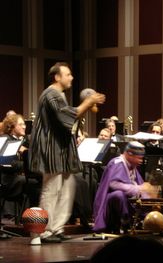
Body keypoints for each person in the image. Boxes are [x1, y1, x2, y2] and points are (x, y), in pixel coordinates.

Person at [28, 61, 105, 243]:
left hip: (61, 150)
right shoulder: (51, 94)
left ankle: (57, 228)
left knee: (68, 187)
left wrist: (87, 105)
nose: (71, 77)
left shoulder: (59, 95)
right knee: (52, 189)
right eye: (68, 74)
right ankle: (44, 231)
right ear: (57, 77)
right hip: (51, 149)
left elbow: (69, 120)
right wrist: (88, 102)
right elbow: (65, 117)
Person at [93, 141, 157, 234]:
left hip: (127, 198)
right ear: (129, 154)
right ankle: (124, 223)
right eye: (139, 158)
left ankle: (141, 223)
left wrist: (149, 194)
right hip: (109, 202)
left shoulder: (132, 165)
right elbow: (114, 184)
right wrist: (139, 189)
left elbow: (139, 185)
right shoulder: (118, 163)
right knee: (118, 195)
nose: (141, 161)